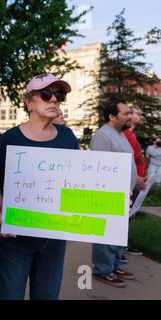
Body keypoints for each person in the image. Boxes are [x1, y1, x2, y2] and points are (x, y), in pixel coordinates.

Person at [0, 73, 79, 300]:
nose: (54, 100)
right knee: (10, 294)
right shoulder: (11, 138)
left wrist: (111, 202)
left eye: (59, 95)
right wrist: (4, 209)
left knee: (47, 295)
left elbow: (78, 182)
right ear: (28, 102)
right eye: (46, 94)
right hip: (16, 237)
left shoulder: (67, 137)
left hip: (54, 236)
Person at [90, 100, 137, 288]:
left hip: (125, 196)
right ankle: (103, 270)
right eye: (125, 114)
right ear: (112, 116)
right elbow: (100, 168)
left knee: (118, 235)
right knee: (107, 235)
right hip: (110, 195)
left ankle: (114, 265)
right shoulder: (102, 135)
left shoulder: (120, 134)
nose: (129, 117)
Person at [123, 106, 146, 257]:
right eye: (138, 113)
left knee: (130, 216)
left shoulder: (131, 134)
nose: (141, 115)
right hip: (131, 183)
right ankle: (121, 246)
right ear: (129, 116)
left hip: (137, 182)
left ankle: (123, 245)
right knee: (125, 216)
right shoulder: (125, 134)